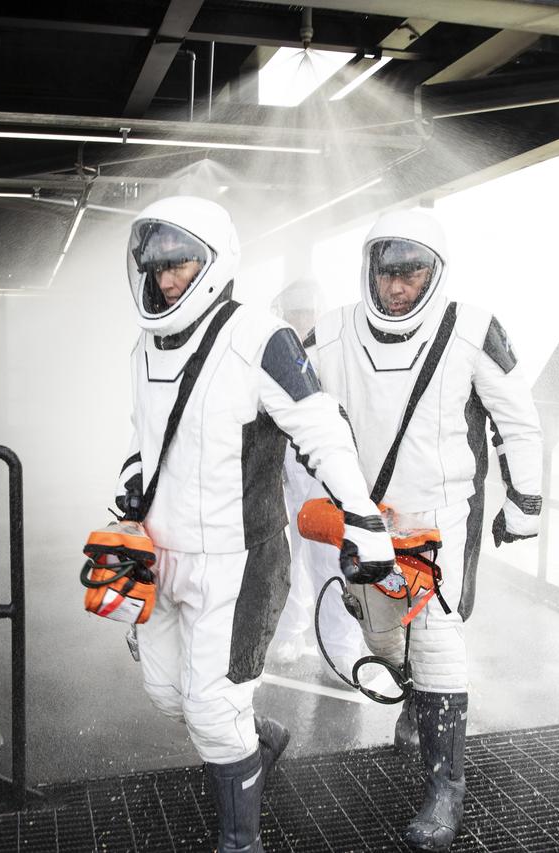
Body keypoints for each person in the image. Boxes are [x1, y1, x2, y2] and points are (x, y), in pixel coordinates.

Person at [111, 196, 396, 853]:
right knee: (168, 693)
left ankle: (242, 841)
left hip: (237, 561)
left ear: (212, 263)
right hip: (159, 551)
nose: (165, 279)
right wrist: (129, 477)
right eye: (155, 266)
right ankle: (258, 741)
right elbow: (141, 431)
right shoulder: (143, 342)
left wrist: (364, 518)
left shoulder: (260, 338)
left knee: (210, 708)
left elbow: (321, 428)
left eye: (178, 263)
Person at [304, 209, 543, 851]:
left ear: (435, 273)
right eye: (387, 273)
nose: (398, 289)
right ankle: (413, 699)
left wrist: (525, 504)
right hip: (365, 518)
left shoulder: (473, 330)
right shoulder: (330, 335)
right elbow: (287, 407)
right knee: (379, 631)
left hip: (442, 515)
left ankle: (445, 790)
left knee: (437, 638)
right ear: (370, 271)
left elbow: (517, 420)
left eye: (412, 274)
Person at [267, 279, 367, 674]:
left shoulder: (336, 352)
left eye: (307, 310)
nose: (301, 317)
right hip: (287, 469)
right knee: (287, 557)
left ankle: (340, 648)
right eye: (295, 311)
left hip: (325, 473)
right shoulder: (272, 353)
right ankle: (290, 631)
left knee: (331, 559)